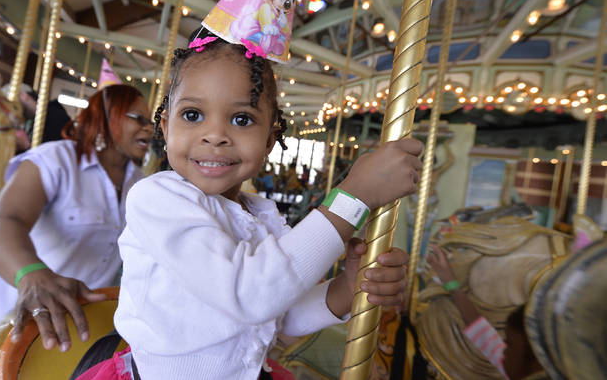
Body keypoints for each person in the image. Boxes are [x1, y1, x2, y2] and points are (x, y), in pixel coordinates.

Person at [75, 30, 421, 380]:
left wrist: (346, 289)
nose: (215, 135)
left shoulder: (259, 215)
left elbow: (277, 316)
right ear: (165, 128)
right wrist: (353, 199)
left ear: (269, 140)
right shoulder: (157, 199)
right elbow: (250, 294)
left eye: (241, 119)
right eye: (193, 115)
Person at [0, 85, 154, 351]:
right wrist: (31, 274)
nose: (149, 128)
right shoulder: (56, 160)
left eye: (150, 121)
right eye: (138, 119)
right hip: (19, 321)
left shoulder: (140, 185)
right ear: (106, 118)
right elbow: (5, 222)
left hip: (81, 326)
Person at [426, 244, 546, 380]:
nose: (504, 350)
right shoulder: (515, 365)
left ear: (536, 363)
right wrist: (450, 282)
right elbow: (480, 328)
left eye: (510, 346)